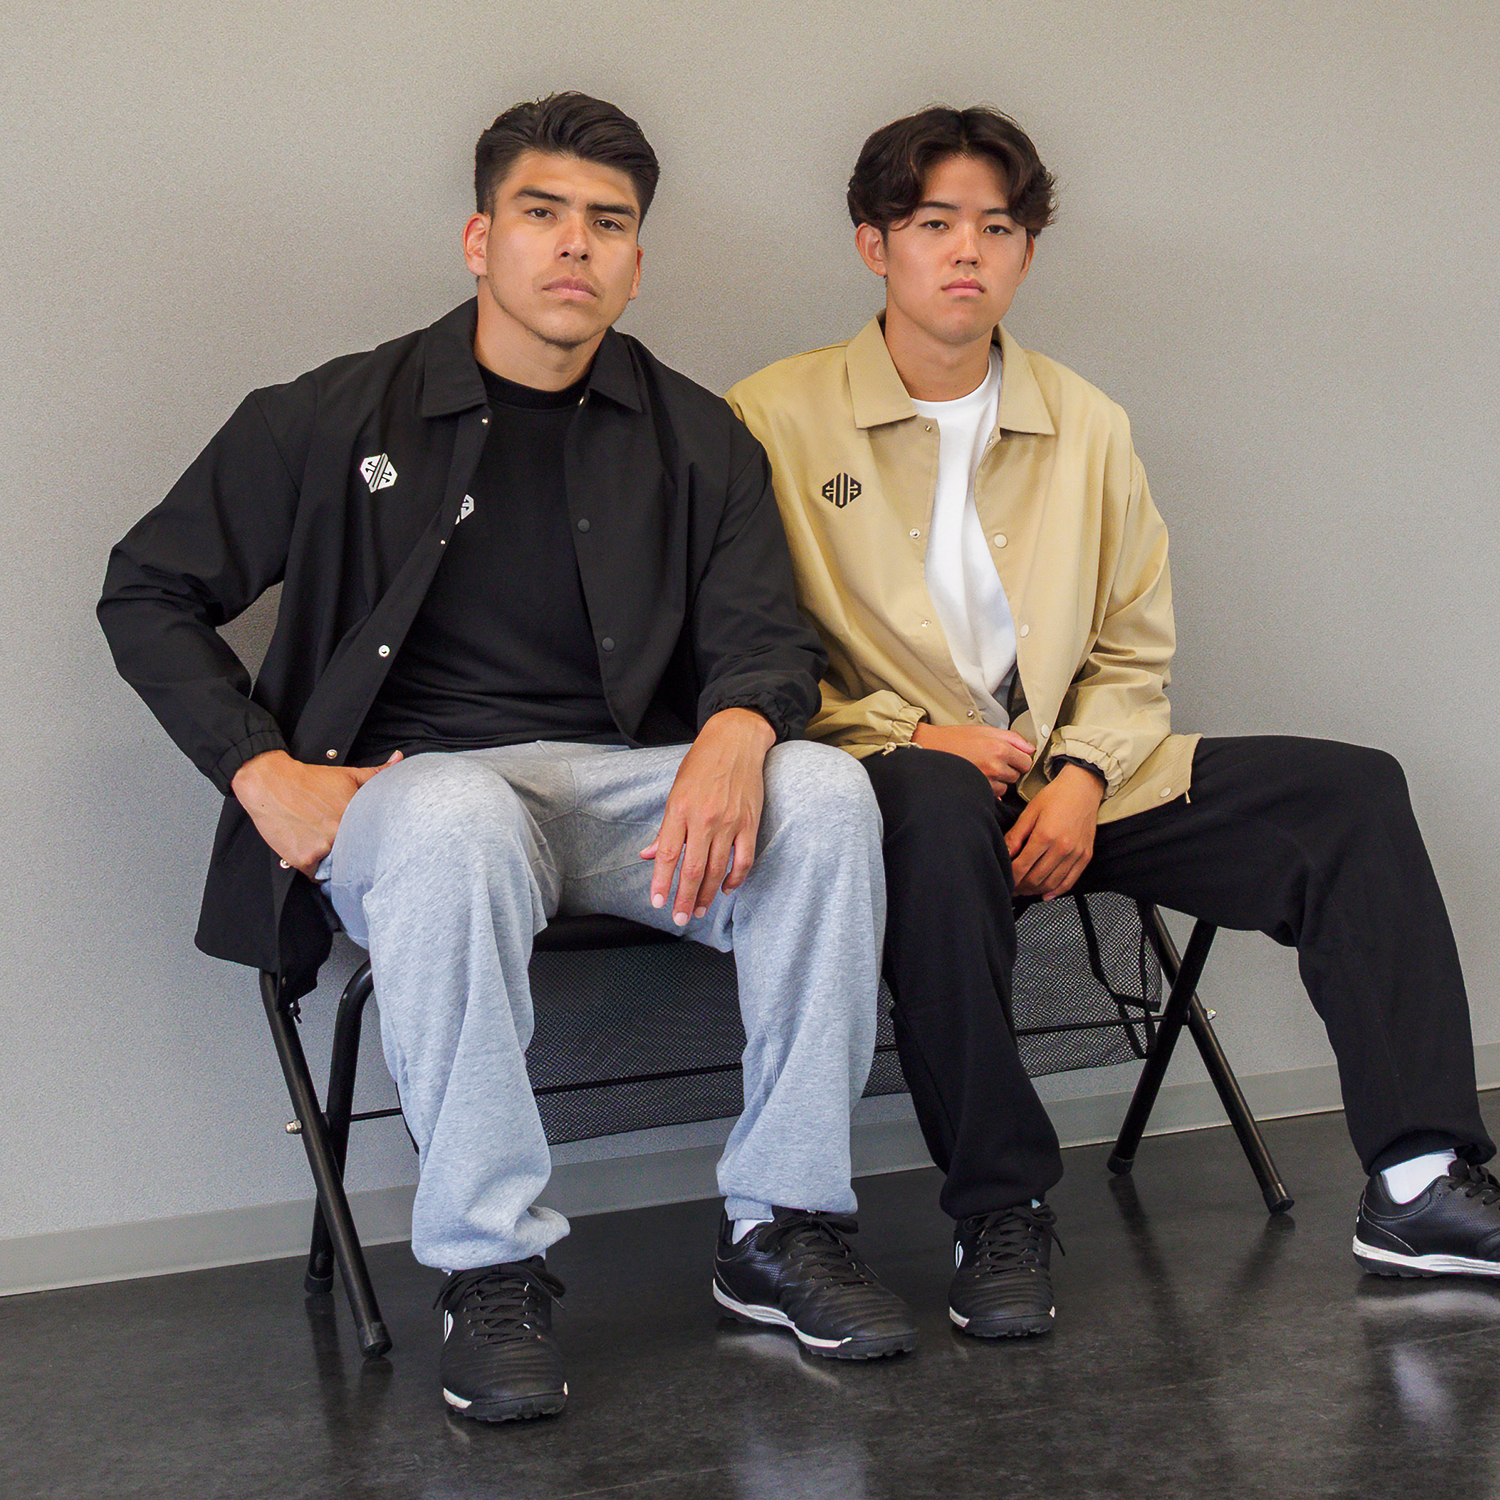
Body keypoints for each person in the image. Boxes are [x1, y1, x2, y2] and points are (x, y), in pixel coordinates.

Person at [99, 92, 918, 1423]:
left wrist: (741, 724)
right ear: (481, 239)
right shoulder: (333, 414)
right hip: (418, 801)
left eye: (609, 223)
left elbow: (766, 638)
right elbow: (146, 589)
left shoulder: (697, 436)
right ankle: (492, 1268)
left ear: (637, 261)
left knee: (825, 790)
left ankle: (784, 1228)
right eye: (543, 213)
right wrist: (262, 769)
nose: (575, 244)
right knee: (458, 812)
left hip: (632, 802)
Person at [729, 104, 1498, 1341]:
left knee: (1351, 794)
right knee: (935, 806)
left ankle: (1418, 1183)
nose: (967, 250)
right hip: (898, 784)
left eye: (997, 227)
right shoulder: (772, 417)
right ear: (875, 244)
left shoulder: (1084, 421)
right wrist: (906, 735)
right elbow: (745, 649)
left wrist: (1085, 775)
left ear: (1027, 251)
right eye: (934, 223)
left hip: (1073, 779)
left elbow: (1134, 647)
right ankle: (1001, 1209)